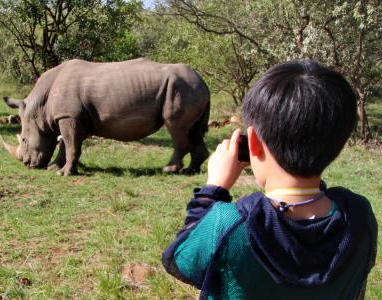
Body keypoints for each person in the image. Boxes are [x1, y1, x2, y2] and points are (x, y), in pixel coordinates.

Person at [162, 59, 378, 300]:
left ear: (252, 141)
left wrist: (213, 190)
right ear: (339, 145)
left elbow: (180, 261)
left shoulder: (229, 223)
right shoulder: (359, 216)